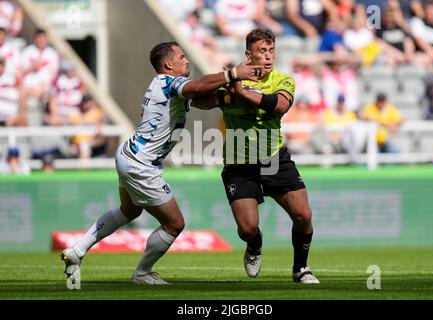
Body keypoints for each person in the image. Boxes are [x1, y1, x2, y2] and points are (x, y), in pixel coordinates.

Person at [60, 41, 265, 286]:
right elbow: (199, 86)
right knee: (174, 223)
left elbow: (205, 99)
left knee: (129, 211)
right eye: (181, 57)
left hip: (129, 155)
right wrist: (232, 74)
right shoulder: (168, 82)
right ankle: (143, 273)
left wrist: (236, 90)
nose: (186, 60)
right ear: (168, 64)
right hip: (141, 164)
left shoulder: (170, 87)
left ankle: (77, 250)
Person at [192, 28, 320, 283]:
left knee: (303, 215)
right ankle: (254, 245)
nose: (269, 56)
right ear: (248, 54)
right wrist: (230, 82)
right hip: (239, 163)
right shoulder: (232, 81)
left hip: (274, 157)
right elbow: (197, 99)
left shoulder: (283, 80)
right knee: (248, 228)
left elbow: (280, 105)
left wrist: (240, 94)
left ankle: (301, 269)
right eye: (262, 51)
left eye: (272, 50)